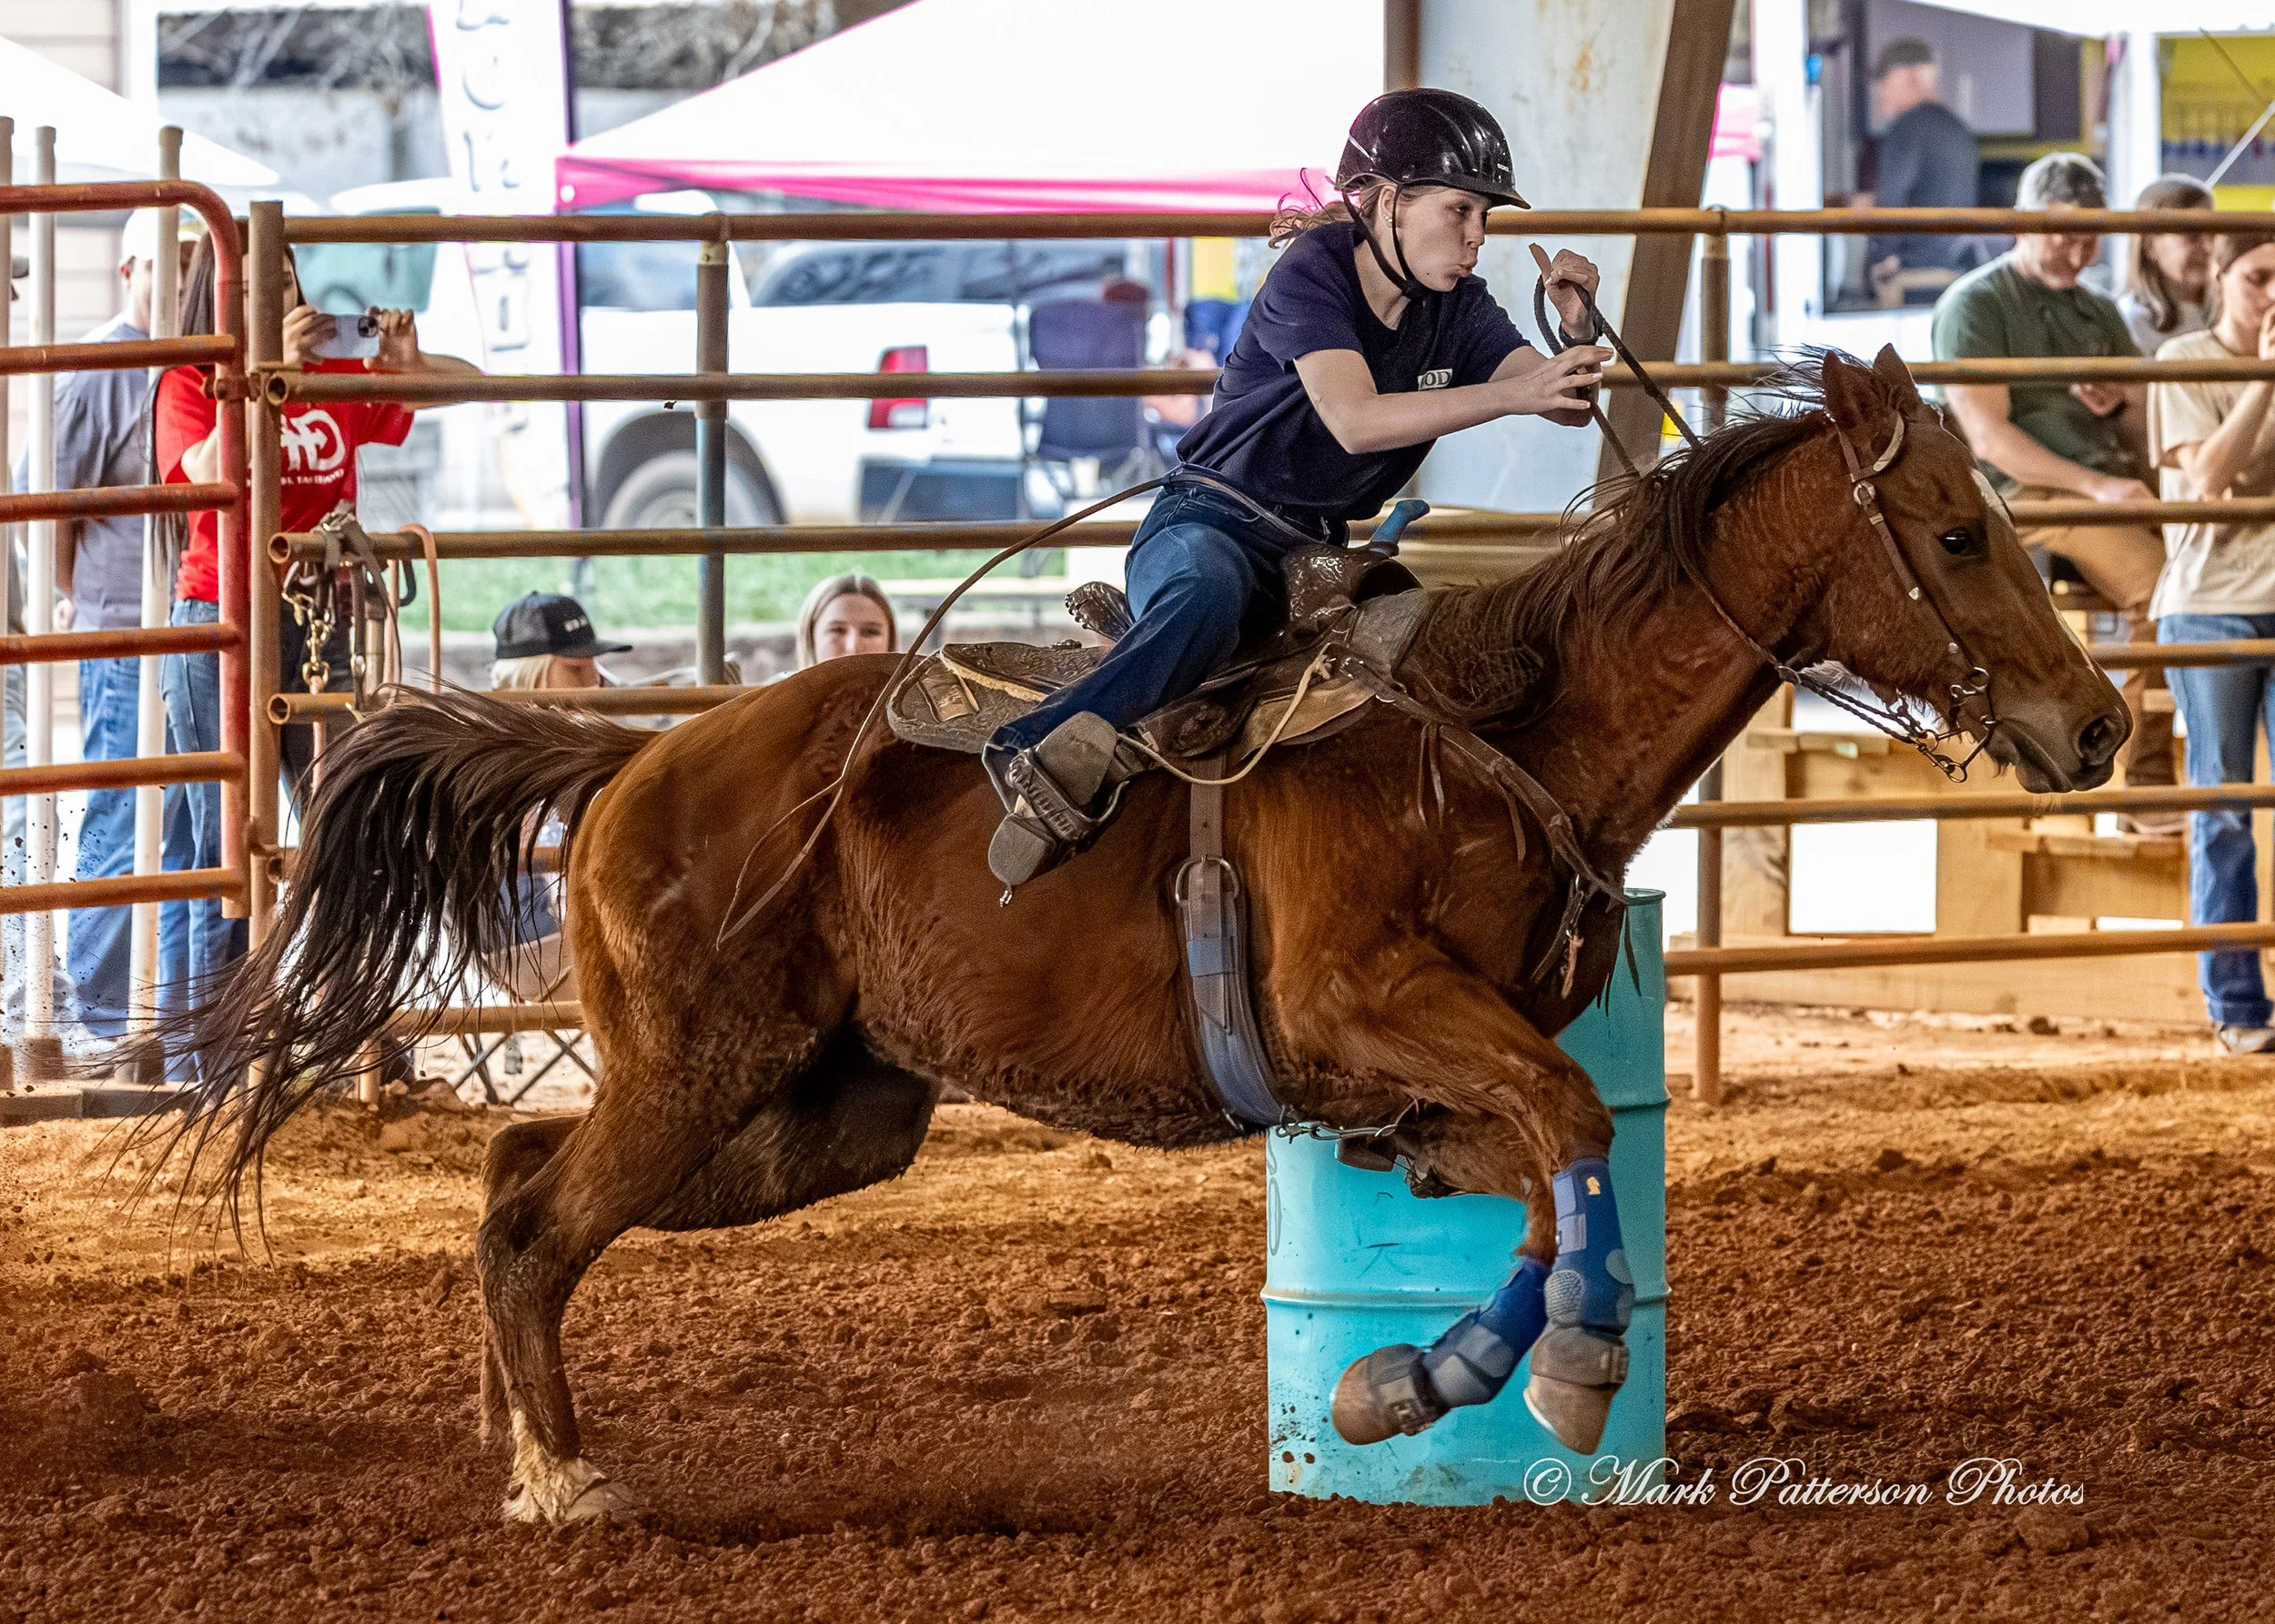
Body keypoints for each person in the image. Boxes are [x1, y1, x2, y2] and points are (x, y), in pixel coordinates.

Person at [979, 88, 1608, 887]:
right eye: (1459, 210)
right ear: (1385, 202)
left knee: (1422, 650)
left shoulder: (1463, 308)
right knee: (1206, 592)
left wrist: (1577, 330)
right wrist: (1518, 392)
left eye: (1485, 215)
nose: (1477, 236)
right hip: (1209, 518)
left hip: (1315, 552)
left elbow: (1566, 406)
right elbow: (1355, 420)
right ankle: (1031, 745)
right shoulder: (1310, 274)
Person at [153, 235, 479, 1004]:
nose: (278, 295)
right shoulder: (192, 379)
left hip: (324, 616)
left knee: (352, 824)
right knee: (230, 851)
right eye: (256, 283)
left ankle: (354, 1041)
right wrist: (267, 380)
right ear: (218, 297)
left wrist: (408, 362)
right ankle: (222, 1058)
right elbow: (200, 471)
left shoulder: (333, 374)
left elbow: (475, 383)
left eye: (287, 278)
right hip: (221, 623)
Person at [1932, 152, 2178, 822]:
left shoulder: (2097, 311)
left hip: (2112, 482)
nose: (2077, 250)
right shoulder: (1975, 305)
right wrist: (2096, 487)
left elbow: (2145, 414)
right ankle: (2146, 780)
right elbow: (1988, 440)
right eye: (2063, 232)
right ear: (2022, 221)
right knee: (2162, 585)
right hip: (2028, 493)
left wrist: (2120, 400)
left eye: (2089, 235)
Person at [14, 209, 205, 1047]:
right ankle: (96, 1013)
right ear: (130, 272)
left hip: (190, 623)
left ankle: (166, 1013)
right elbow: (49, 509)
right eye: (167, 263)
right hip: (128, 629)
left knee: (190, 823)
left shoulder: (197, 370)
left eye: (196, 264)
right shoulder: (97, 373)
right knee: (126, 816)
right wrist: (83, 597)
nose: (181, 281)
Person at [2147, 229, 2275, 1055]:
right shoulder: (2180, 361)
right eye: (2260, 277)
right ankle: (2235, 1004)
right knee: (2223, 804)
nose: (2272, 295)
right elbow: (2211, 477)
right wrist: (2265, 379)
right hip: (2213, 601)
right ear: (2221, 277)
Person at [481, 591, 632, 1003]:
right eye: (575, 669)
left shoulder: (554, 744)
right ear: (528, 676)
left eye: (595, 666)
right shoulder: (502, 761)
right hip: (533, 948)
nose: (594, 682)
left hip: (572, 935)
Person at [1859, 39, 1981, 296]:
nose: (1881, 93)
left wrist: (1880, 259)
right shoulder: (1959, 129)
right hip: (1955, 273)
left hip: (1911, 276)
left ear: (1908, 76)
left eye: (1885, 82)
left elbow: (1890, 204)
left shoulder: (1906, 129)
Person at [2120, 175, 2214, 360]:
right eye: (2192, 235)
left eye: (2213, 233)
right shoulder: (2129, 321)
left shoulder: (2229, 311)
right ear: (2149, 246)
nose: (2208, 247)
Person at [794, 573, 897, 668]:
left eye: (870, 632)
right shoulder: (780, 687)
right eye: (837, 630)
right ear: (811, 638)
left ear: (890, 640)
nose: (853, 648)